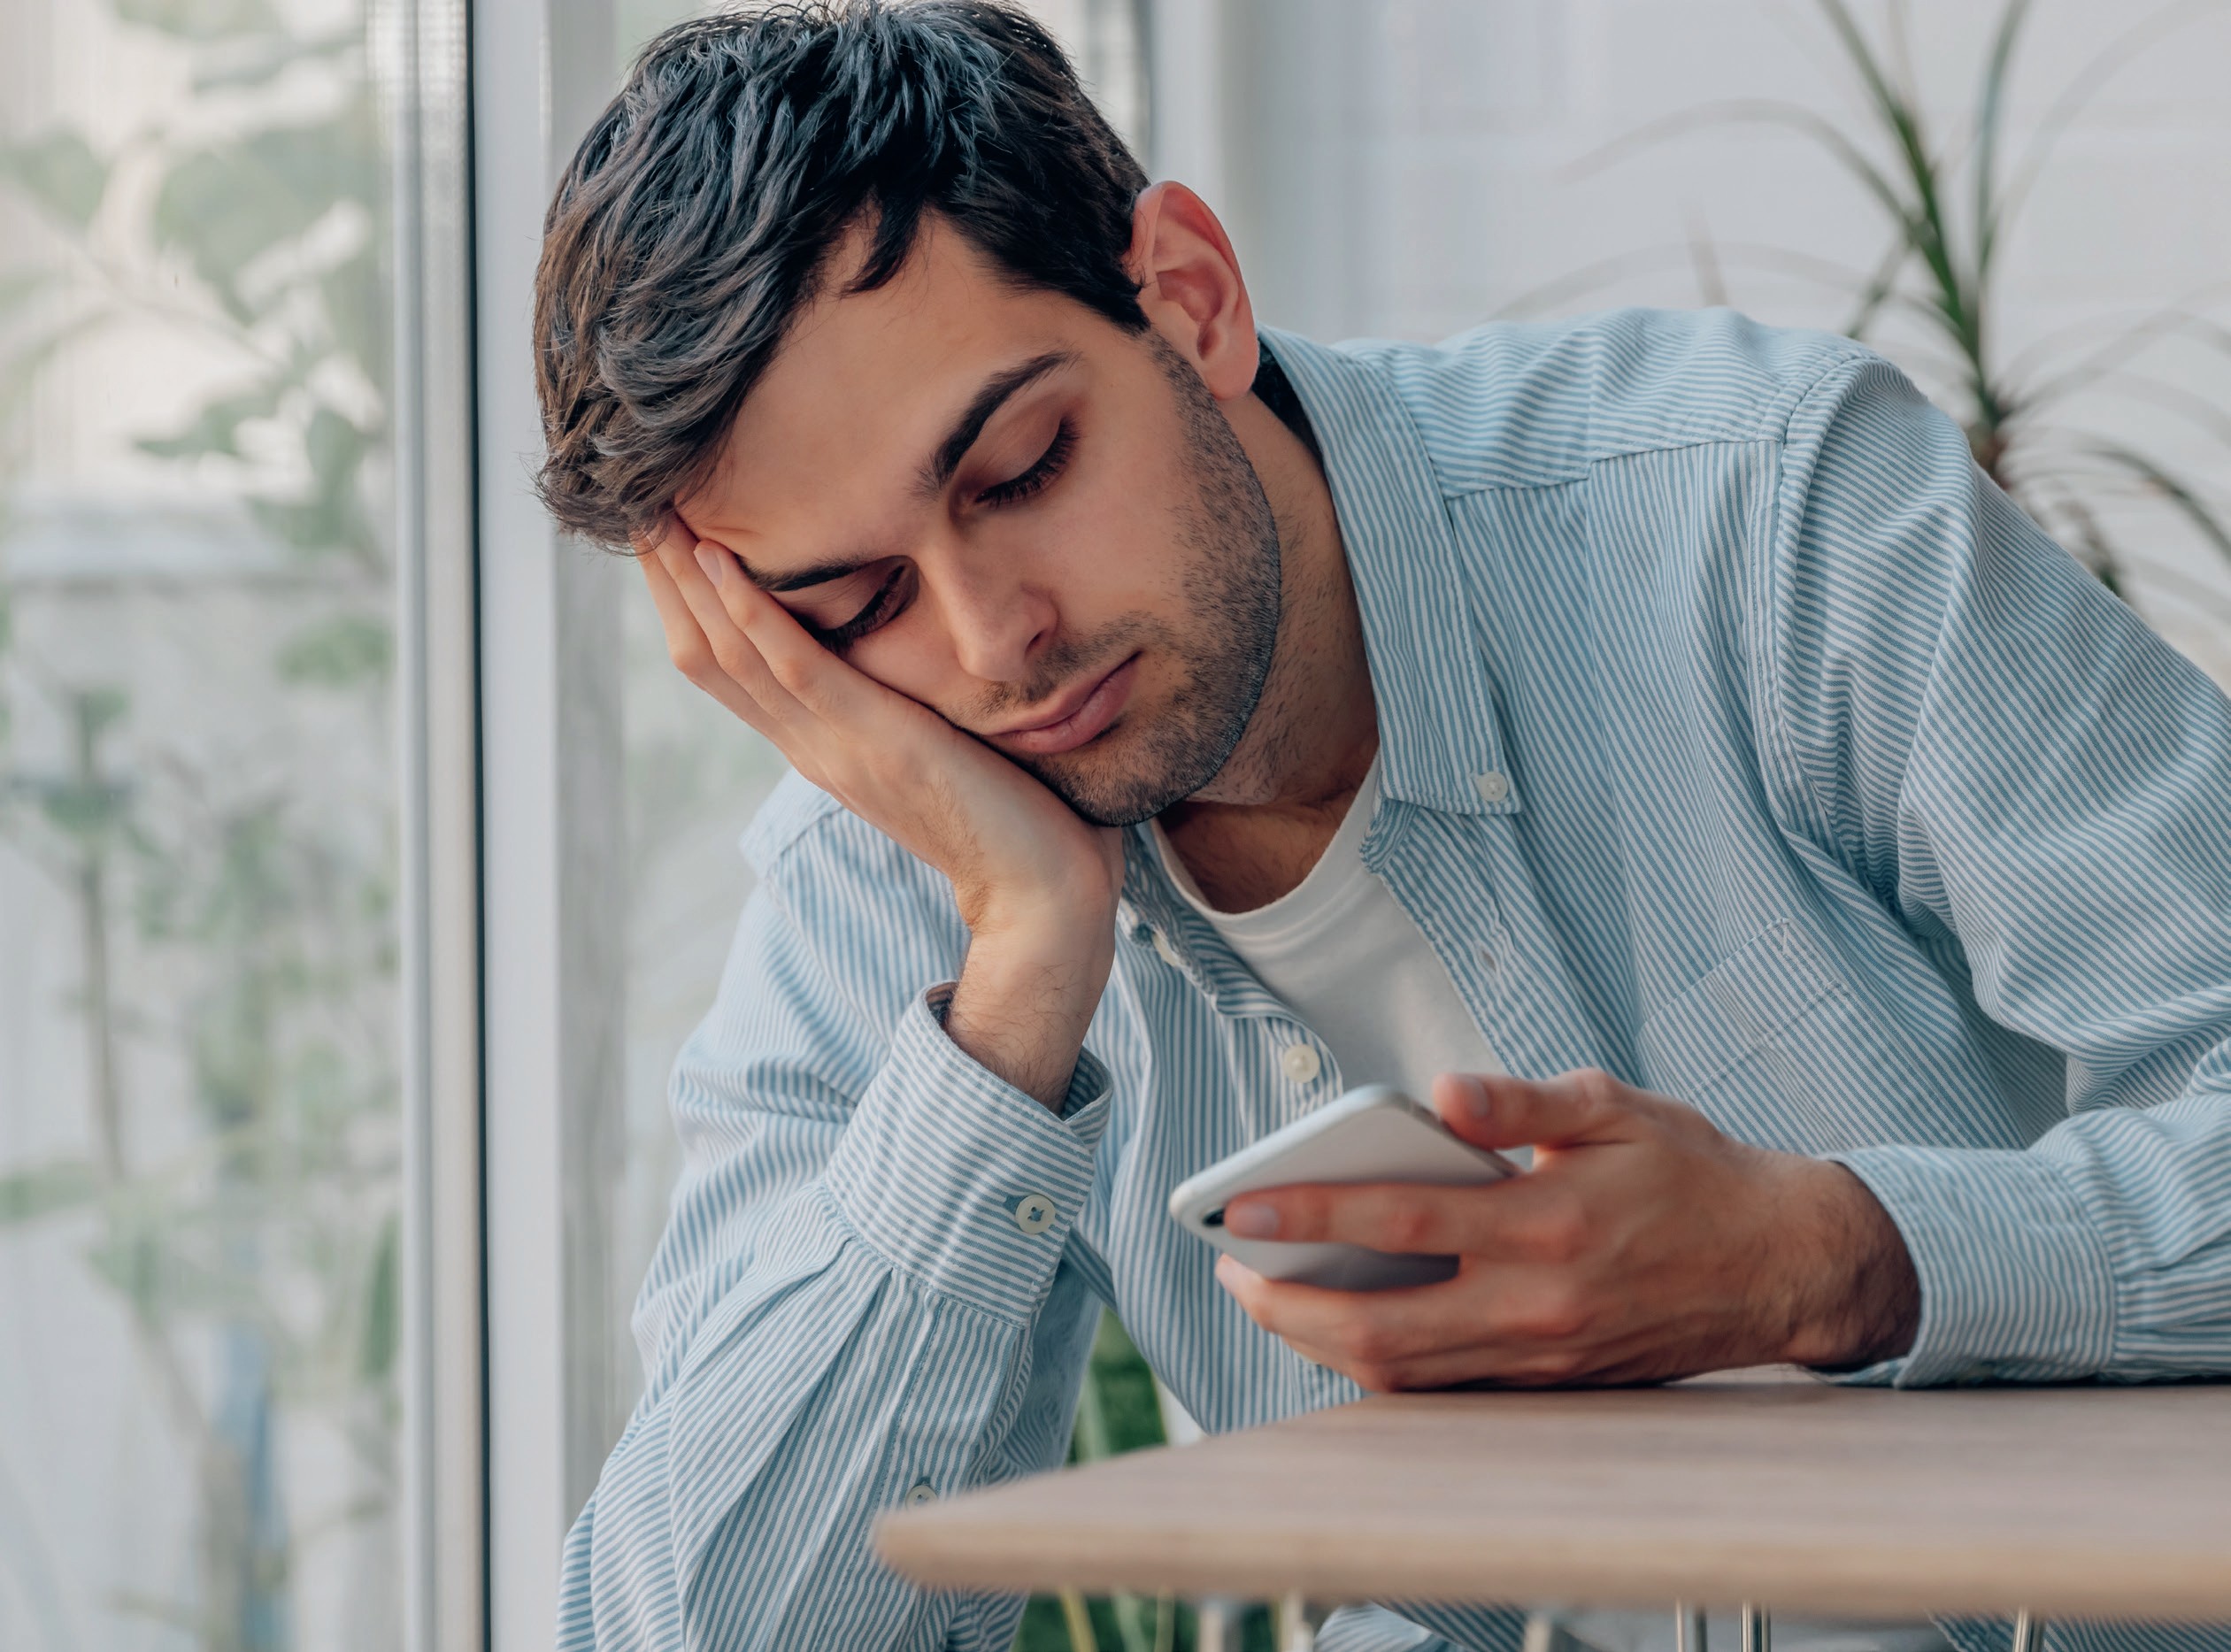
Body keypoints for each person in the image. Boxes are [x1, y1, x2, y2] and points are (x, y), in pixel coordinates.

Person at [530, 4, 2231, 1650]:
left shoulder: (1761, 507)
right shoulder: (899, 868)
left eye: (1025, 467)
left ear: (1187, 299)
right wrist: (1022, 975)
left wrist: (1832, 1259)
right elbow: (695, 1630)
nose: (990, 645)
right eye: (852, 604)